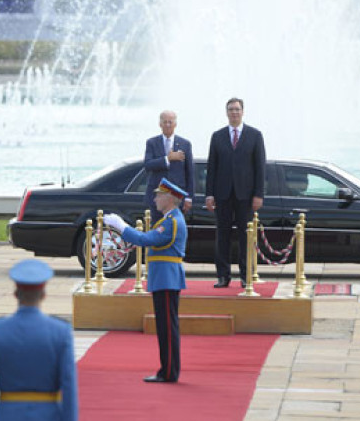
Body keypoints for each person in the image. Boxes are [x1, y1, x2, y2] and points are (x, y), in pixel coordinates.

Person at [104, 178, 187, 383]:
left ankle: (168, 372)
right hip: (164, 278)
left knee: (167, 328)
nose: (155, 198)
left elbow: (146, 239)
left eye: (159, 195)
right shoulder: (169, 219)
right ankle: (167, 370)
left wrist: (121, 227)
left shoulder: (172, 221)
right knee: (165, 327)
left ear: (170, 198)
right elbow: (149, 239)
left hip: (166, 278)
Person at [0, 259, 78, 421]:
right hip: (48, 414)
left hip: (7, 414)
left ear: (16, 294)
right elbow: (69, 384)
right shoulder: (61, 332)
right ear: (44, 294)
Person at [205, 97, 266, 288]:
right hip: (222, 195)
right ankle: (223, 276)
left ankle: (246, 275)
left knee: (245, 236)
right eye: (231, 109)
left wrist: (258, 194)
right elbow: (211, 168)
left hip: (246, 196)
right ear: (226, 112)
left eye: (237, 109)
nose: (234, 112)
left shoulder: (255, 135)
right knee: (222, 236)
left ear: (243, 111)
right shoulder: (217, 136)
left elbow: (260, 168)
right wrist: (209, 194)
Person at [143, 110, 194, 221]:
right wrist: (167, 159)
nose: (167, 125)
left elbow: (189, 173)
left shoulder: (185, 144)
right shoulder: (152, 142)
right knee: (157, 232)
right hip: (157, 198)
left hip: (177, 198)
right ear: (160, 124)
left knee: (175, 231)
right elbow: (147, 165)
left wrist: (189, 198)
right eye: (164, 122)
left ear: (175, 124)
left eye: (170, 122)